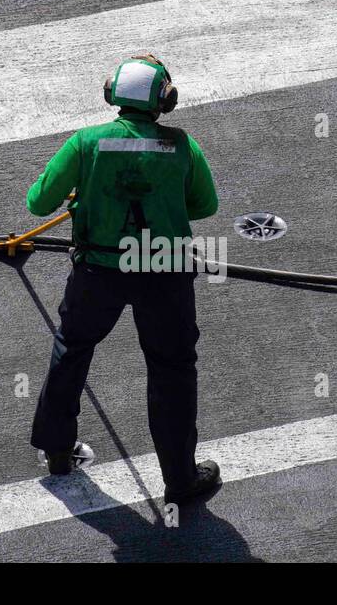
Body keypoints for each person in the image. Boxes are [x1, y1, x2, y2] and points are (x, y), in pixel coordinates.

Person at [26, 53, 221, 505]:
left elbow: (38, 203)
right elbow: (204, 205)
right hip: (164, 272)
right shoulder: (182, 146)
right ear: (164, 101)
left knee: (72, 349)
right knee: (171, 369)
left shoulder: (86, 143)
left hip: (99, 271)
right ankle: (179, 479)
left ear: (112, 94)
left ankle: (57, 450)